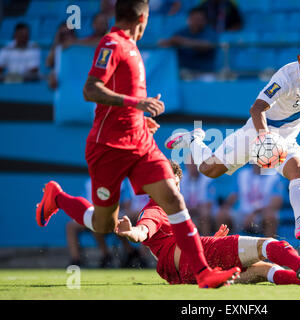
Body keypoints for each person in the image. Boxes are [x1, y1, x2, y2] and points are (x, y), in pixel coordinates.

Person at [36, 0, 240, 289]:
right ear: (142, 19)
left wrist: (140, 119)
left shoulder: (133, 47)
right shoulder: (111, 44)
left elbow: (119, 104)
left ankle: (203, 273)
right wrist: (138, 103)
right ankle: (57, 197)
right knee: (105, 224)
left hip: (140, 143)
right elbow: (90, 89)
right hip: (108, 147)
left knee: (172, 197)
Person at [165, 10, 300, 241]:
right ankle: (194, 140)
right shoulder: (285, 77)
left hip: (287, 139)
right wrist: (264, 138)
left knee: (299, 170)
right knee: (208, 170)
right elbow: (257, 109)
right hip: (257, 132)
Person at [115, 160, 300, 286]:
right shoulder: (156, 209)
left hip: (189, 272)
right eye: (169, 184)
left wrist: (211, 242)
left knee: (262, 270)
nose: (175, 189)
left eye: (177, 184)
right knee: (267, 245)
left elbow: (165, 241)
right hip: (194, 261)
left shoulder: (170, 209)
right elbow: (144, 230)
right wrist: (131, 232)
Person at [66, 178, 148, 268]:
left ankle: (135, 255)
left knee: (113, 221)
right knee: (75, 225)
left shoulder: (119, 181)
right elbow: (84, 202)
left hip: (116, 214)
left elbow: (125, 204)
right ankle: (78, 260)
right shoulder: (89, 183)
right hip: (95, 215)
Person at [158, 7, 217, 75]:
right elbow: (162, 43)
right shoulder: (183, 32)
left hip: (205, 72)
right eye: (194, 19)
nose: (197, 22)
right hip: (183, 71)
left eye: (200, 19)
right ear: (189, 19)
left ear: (205, 21)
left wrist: (182, 41)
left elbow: (207, 45)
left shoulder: (210, 32)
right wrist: (170, 41)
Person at [180, 161, 214, 236]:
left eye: (194, 164)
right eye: (190, 164)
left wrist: (195, 207)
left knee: (205, 213)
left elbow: (209, 203)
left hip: (202, 210)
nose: (192, 166)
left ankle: (207, 242)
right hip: (188, 209)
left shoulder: (207, 179)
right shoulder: (181, 179)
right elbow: (178, 201)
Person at [46, 22, 78, 89]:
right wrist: (56, 41)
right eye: (62, 34)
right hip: (60, 86)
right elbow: (48, 63)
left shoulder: (81, 49)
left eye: (69, 33)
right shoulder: (57, 49)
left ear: (73, 34)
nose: (66, 37)